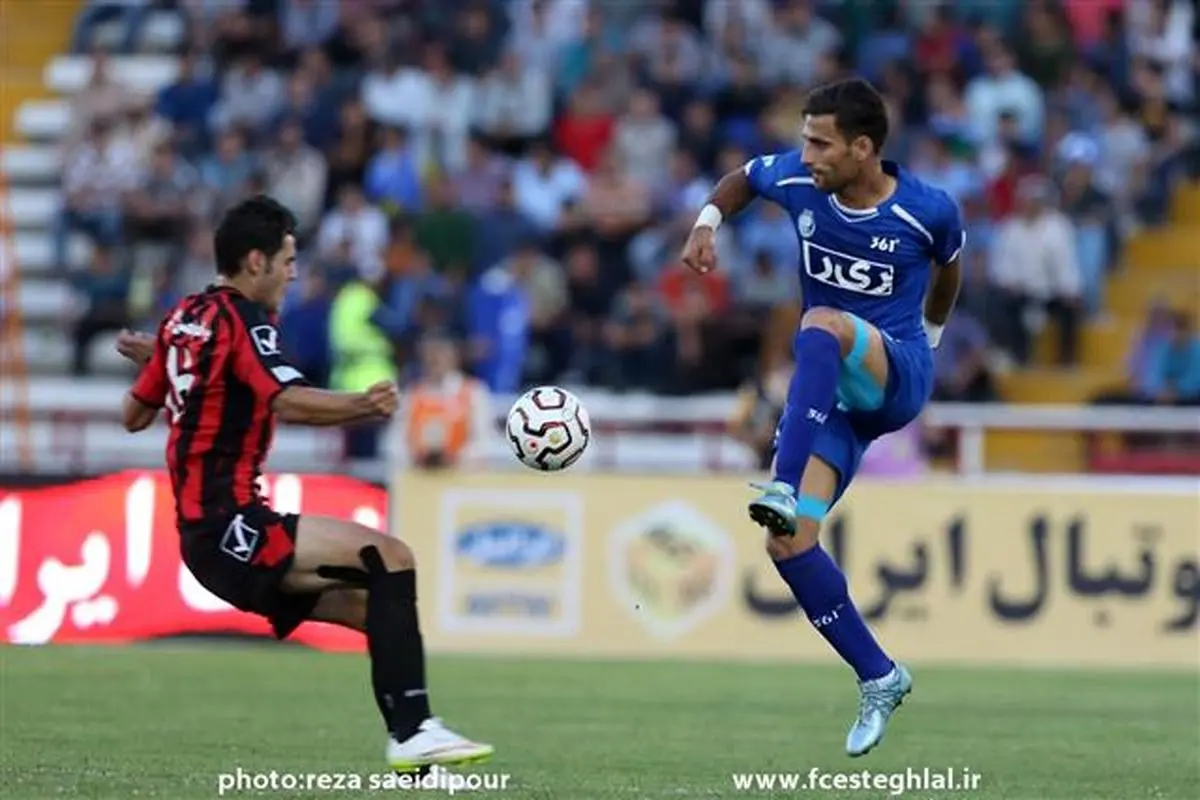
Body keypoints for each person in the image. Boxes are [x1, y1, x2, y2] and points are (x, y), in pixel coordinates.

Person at [112, 196, 494, 773]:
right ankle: (415, 731)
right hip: (232, 525)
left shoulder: (184, 317)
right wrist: (363, 404)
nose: (294, 274)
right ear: (256, 261)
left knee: (374, 611)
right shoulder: (243, 321)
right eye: (288, 261)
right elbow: (287, 400)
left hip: (205, 537)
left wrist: (161, 358)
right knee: (390, 556)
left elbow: (133, 415)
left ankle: (419, 759)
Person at [681, 79, 965, 758]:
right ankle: (879, 675)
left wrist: (931, 337)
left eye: (820, 143)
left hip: (894, 372)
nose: (805, 155)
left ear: (863, 149)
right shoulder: (799, 182)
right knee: (788, 543)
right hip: (835, 403)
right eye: (805, 140)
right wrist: (706, 224)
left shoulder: (927, 209)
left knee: (822, 323)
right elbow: (741, 181)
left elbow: (949, 269)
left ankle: (780, 481)